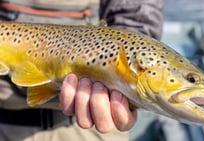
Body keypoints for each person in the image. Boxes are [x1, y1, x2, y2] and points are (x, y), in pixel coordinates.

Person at [0, 0, 164, 140]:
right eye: (191, 79)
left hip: (94, 124)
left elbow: (134, 17)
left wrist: (119, 78)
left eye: (191, 79)